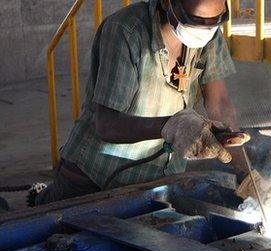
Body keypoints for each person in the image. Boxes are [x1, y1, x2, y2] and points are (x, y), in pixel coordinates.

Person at [36, 0, 238, 205]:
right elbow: (107, 125)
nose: (203, 30)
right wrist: (173, 125)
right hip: (94, 180)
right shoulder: (125, 32)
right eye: (194, 21)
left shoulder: (209, 33)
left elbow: (219, 103)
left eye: (214, 21)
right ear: (168, 3)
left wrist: (245, 174)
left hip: (155, 184)